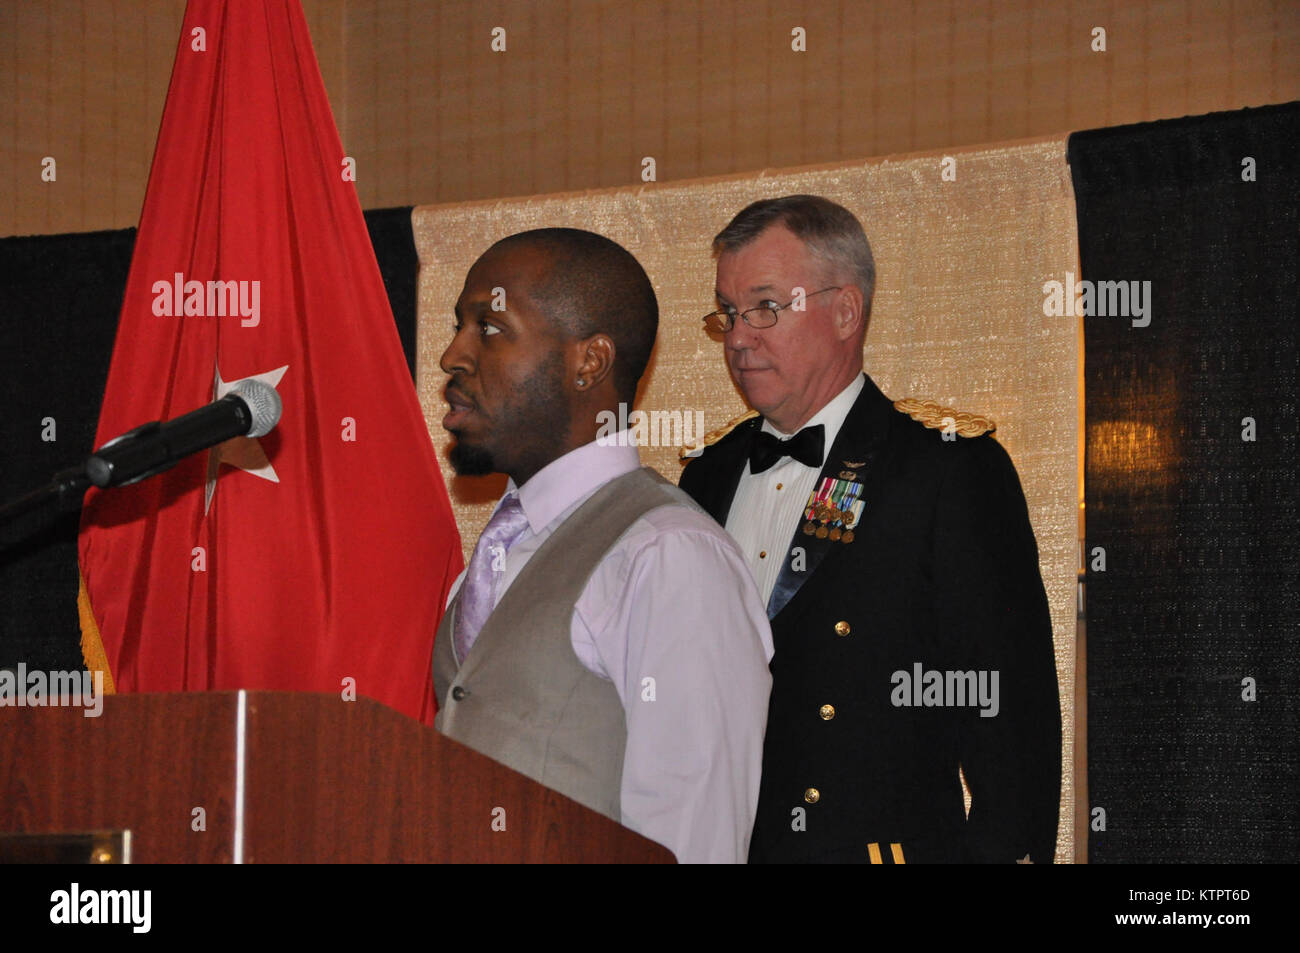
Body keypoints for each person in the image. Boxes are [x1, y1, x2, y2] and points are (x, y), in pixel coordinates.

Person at [679, 195, 1062, 863]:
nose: (739, 338)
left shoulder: (942, 468)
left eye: (766, 308)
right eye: (729, 314)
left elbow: (1011, 725)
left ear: (846, 310)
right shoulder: (706, 476)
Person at [433, 227, 773, 864]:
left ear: (588, 363)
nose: (453, 355)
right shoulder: (494, 557)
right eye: (459, 326)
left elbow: (691, 844)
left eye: (490, 327)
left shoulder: (668, 556)